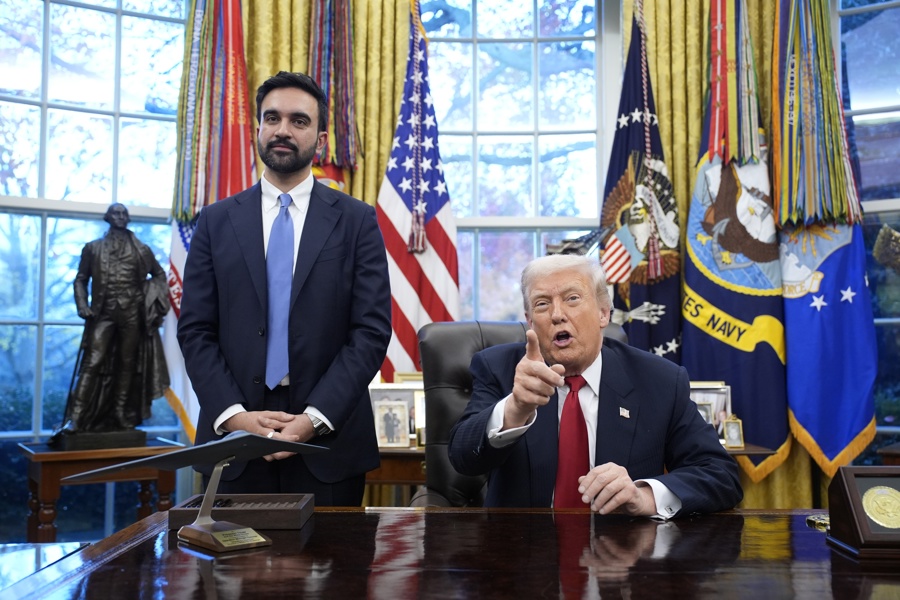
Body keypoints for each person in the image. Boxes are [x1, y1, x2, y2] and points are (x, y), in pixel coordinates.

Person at [177, 71, 391, 505]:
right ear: (258, 127)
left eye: (299, 120)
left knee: (333, 574)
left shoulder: (357, 221)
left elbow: (369, 332)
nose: (282, 130)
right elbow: (195, 330)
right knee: (229, 574)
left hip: (327, 446)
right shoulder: (216, 221)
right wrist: (236, 417)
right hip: (233, 447)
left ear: (321, 137)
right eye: (271, 118)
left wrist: (312, 420)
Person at [448, 254, 742, 516]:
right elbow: (461, 458)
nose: (557, 314)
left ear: (604, 313)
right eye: (542, 304)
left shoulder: (659, 380)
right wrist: (514, 408)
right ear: (529, 322)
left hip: (623, 558)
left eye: (572, 298)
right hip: (524, 558)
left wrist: (644, 496)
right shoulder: (499, 369)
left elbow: (720, 475)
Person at [55, 203, 169, 435]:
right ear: (107, 217)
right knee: (92, 362)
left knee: (127, 364)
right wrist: (82, 305)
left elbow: (159, 275)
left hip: (132, 314)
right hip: (103, 314)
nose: (120, 216)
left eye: (124, 213)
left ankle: (120, 412)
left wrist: (148, 298)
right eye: (116, 213)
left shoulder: (142, 250)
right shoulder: (93, 248)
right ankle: (75, 418)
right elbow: (80, 279)